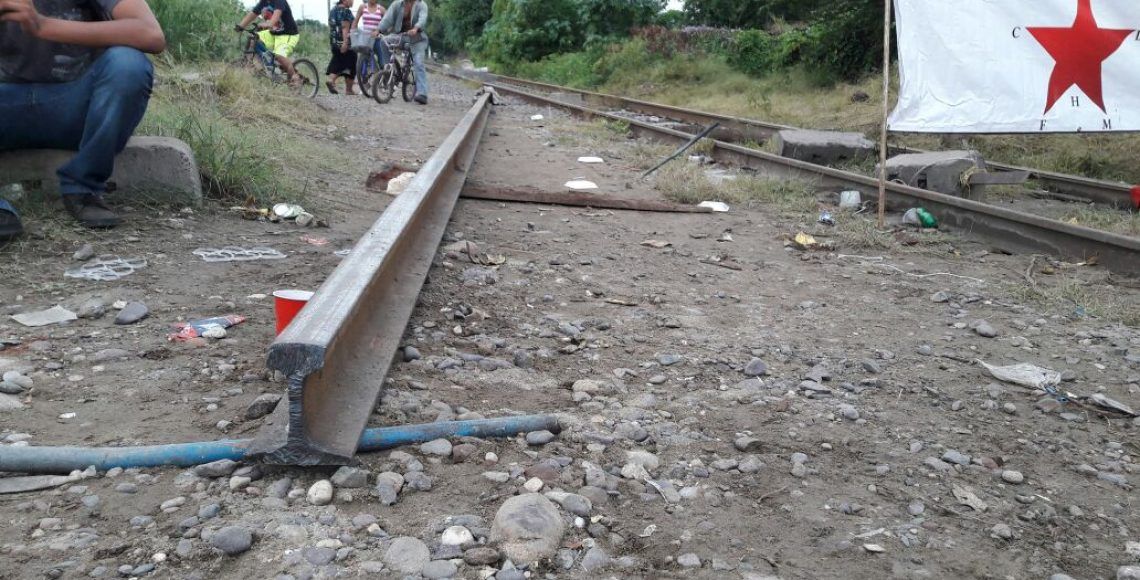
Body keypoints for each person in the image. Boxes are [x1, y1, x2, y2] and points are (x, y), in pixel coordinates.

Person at [0, 0, 166, 237]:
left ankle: (83, 188)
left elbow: (150, 34)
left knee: (128, 65)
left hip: (78, 107)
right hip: (7, 106)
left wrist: (43, 25)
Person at [377, 0, 429, 105]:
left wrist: (416, 28)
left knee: (418, 62)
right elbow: (387, 19)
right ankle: (390, 70)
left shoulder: (421, 5)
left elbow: (422, 19)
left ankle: (422, 94)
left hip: (417, 39)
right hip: (401, 36)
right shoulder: (398, 4)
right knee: (384, 41)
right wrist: (378, 30)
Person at [236, 0, 299, 83]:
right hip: (274, 33)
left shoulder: (280, 1)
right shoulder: (264, 2)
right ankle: (260, 65)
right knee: (253, 38)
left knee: (279, 56)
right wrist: (241, 26)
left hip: (288, 34)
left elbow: (275, 18)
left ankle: (295, 78)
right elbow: (253, 14)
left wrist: (268, 24)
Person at [325, 0, 356, 95]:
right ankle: (348, 89)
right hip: (344, 43)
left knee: (338, 61)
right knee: (352, 62)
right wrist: (345, 42)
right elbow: (345, 27)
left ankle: (331, 80)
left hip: (334, 43)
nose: (353, 1)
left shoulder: (333, 10)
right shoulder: (346, 11)